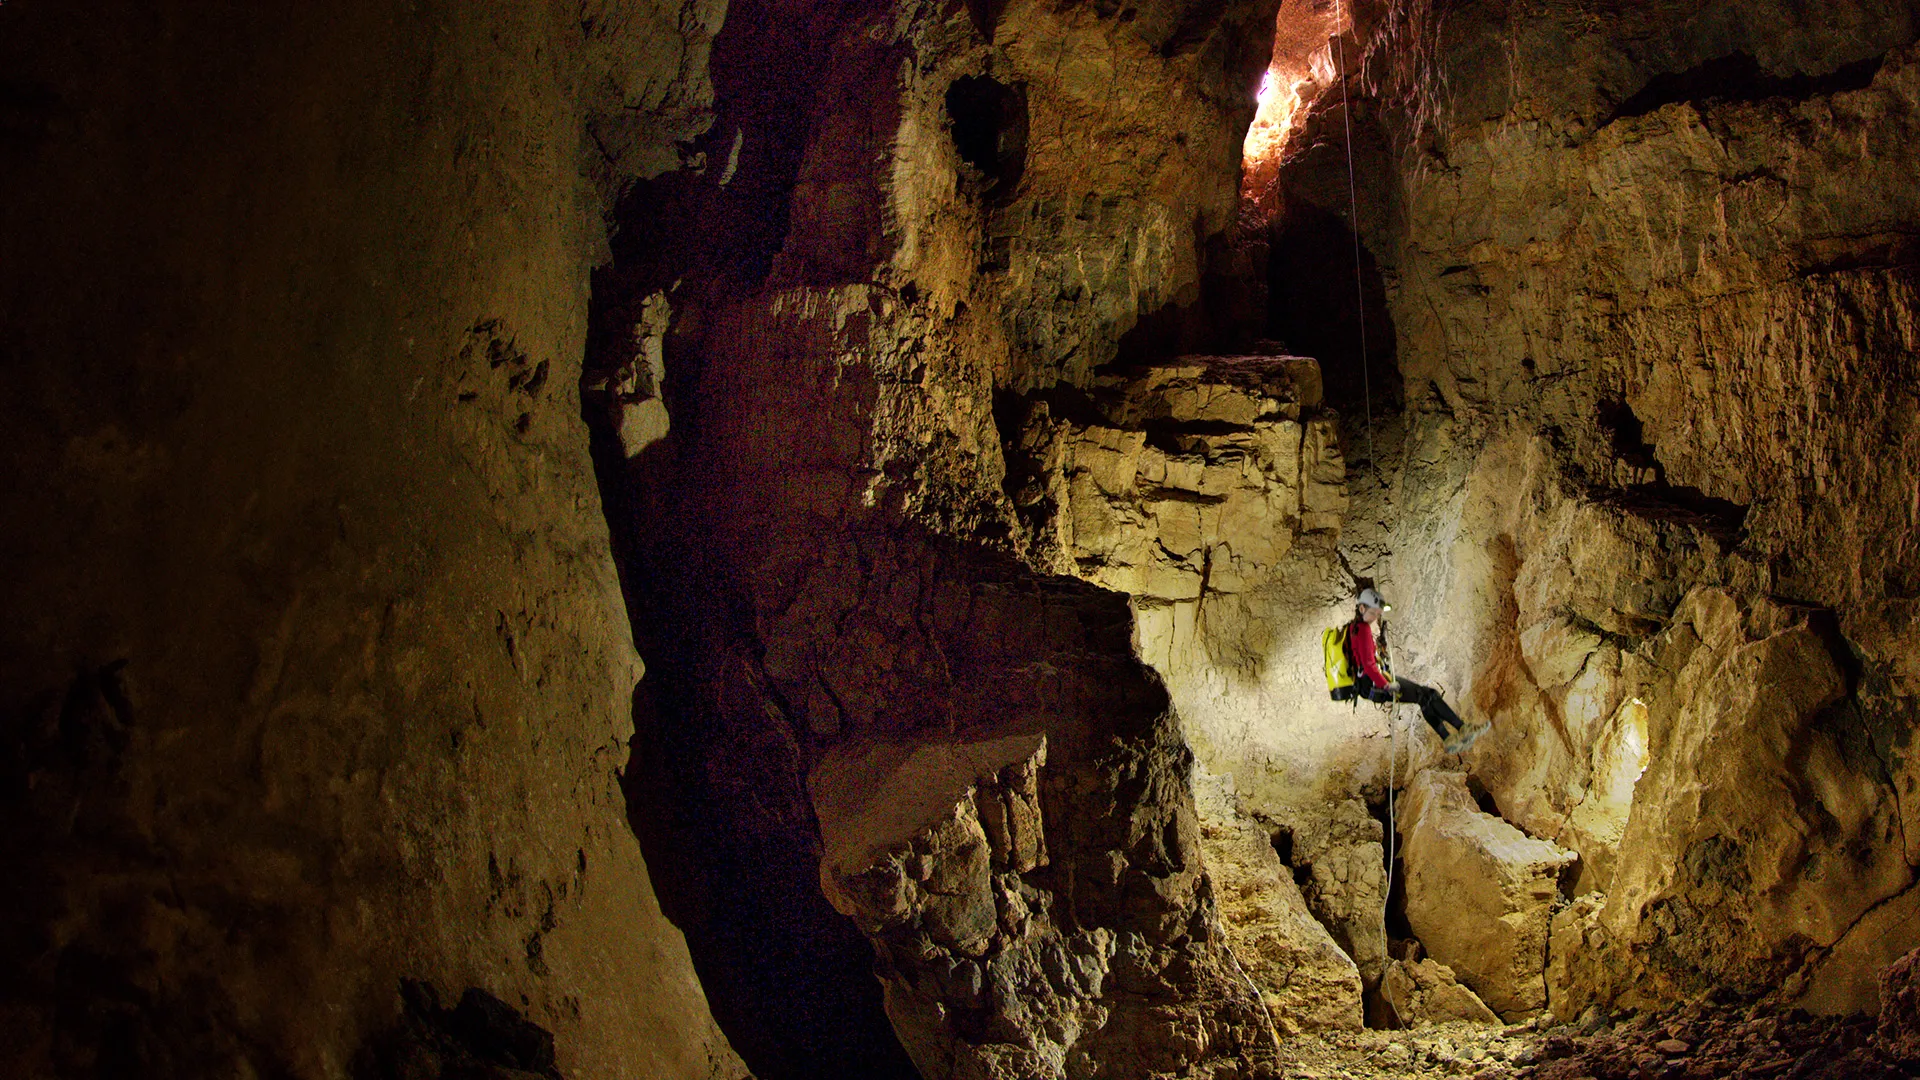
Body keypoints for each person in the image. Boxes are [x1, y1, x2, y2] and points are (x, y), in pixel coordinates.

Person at [1349, 588, 1488, 753]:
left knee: (1424, 697)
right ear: (1362, 609)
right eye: (1373, 613)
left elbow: (1363, 660)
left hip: (1370, 685)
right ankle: (1461, 730)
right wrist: (1386, 685)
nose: (1375, 617)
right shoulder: (1363, 630)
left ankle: (1450, 739)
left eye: (1377, 613)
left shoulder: (1355, 629)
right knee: (1429, 695)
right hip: (1375, 685)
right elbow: (1368, 665)